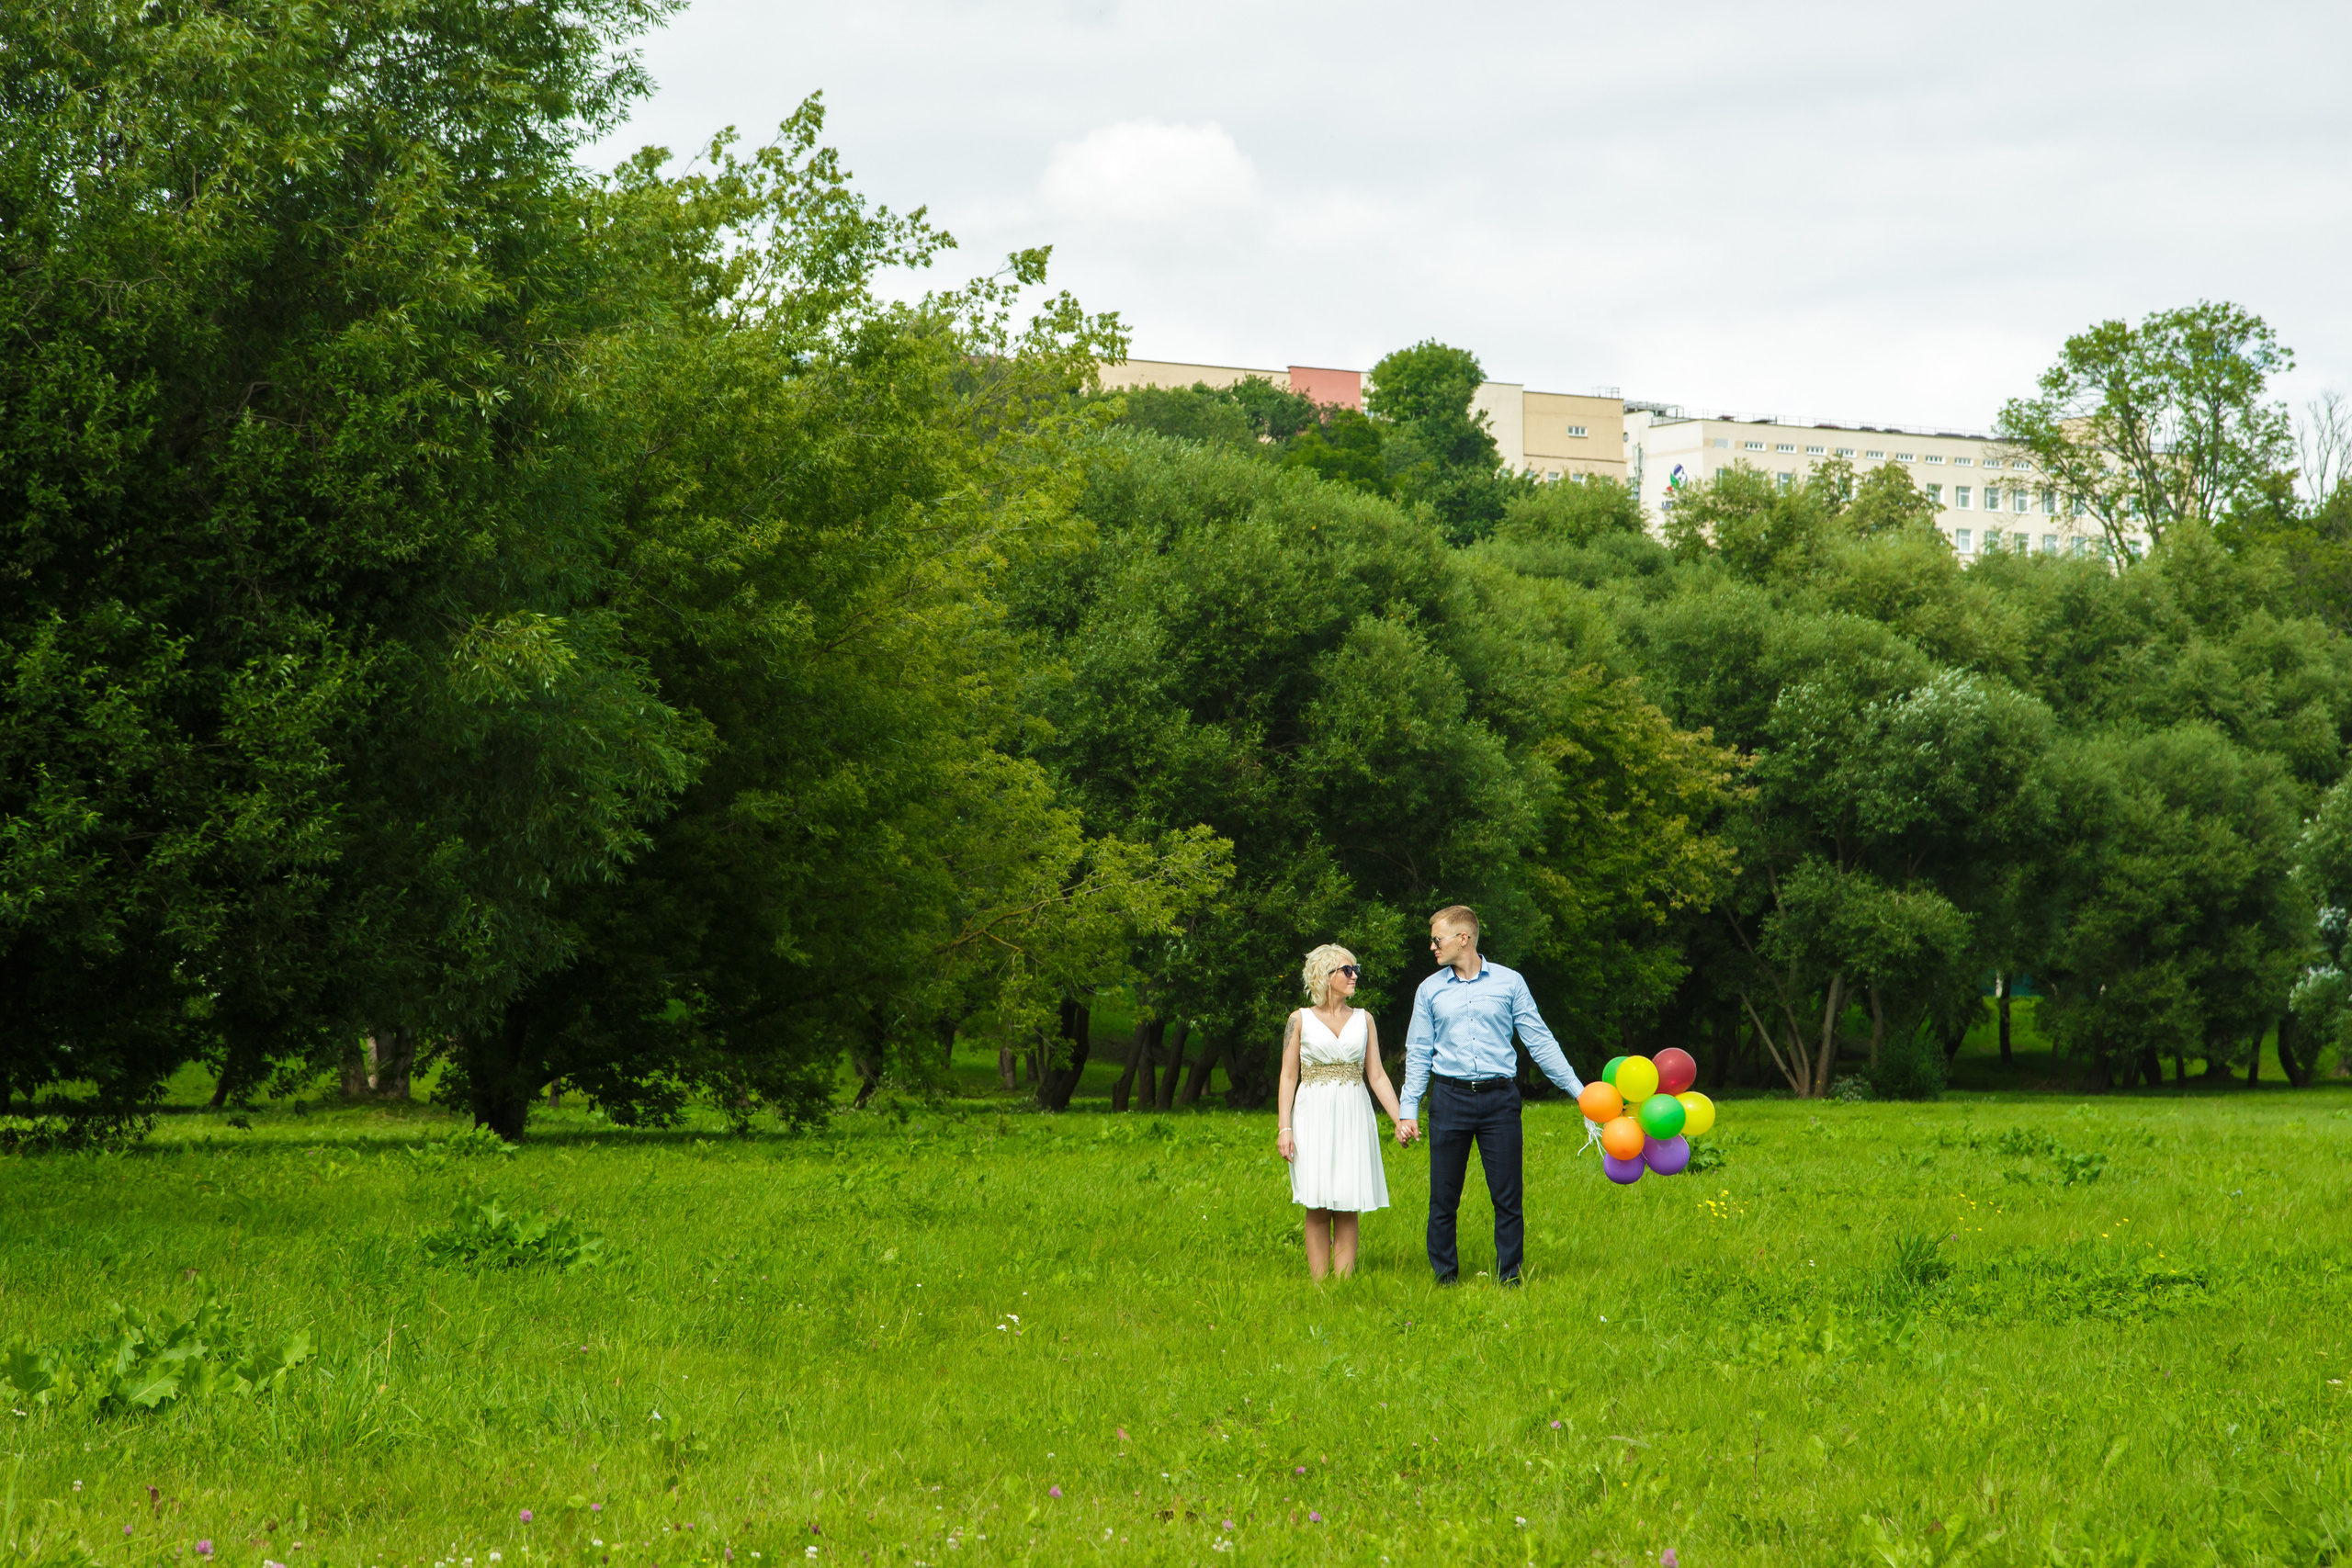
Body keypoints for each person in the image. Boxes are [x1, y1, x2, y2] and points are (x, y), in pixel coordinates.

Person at [1394, 905, 1583, 1286]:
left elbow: (1540, 1041)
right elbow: (1418, 1053)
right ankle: (1445, 1278)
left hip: (1500, 1100)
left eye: (1437, 939)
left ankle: (1510, 1278)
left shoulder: (1510, 983)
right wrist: (1407, 1109)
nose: (1432, 946)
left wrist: (1580, 1092)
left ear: (1463, 939)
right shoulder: (1429, 990)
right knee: (1443, 1199)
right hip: (1449, 1098)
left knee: (1508, 1198)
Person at [1275, 943, 1407, 1280]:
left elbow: (1376, 1074)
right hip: (1312, 1115)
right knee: (1317, 1203)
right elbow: (1289, 1075)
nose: (1354, 976)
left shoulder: (1364, 1019)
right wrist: (1284, 1128)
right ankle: (1320, 1285)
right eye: (1347, 970)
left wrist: (1400, 1119)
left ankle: (1343, 1283)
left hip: (1353, 1113)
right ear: (1325, 976)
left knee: (1348, 1201)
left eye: (1356, 969)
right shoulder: (1299, 1019)